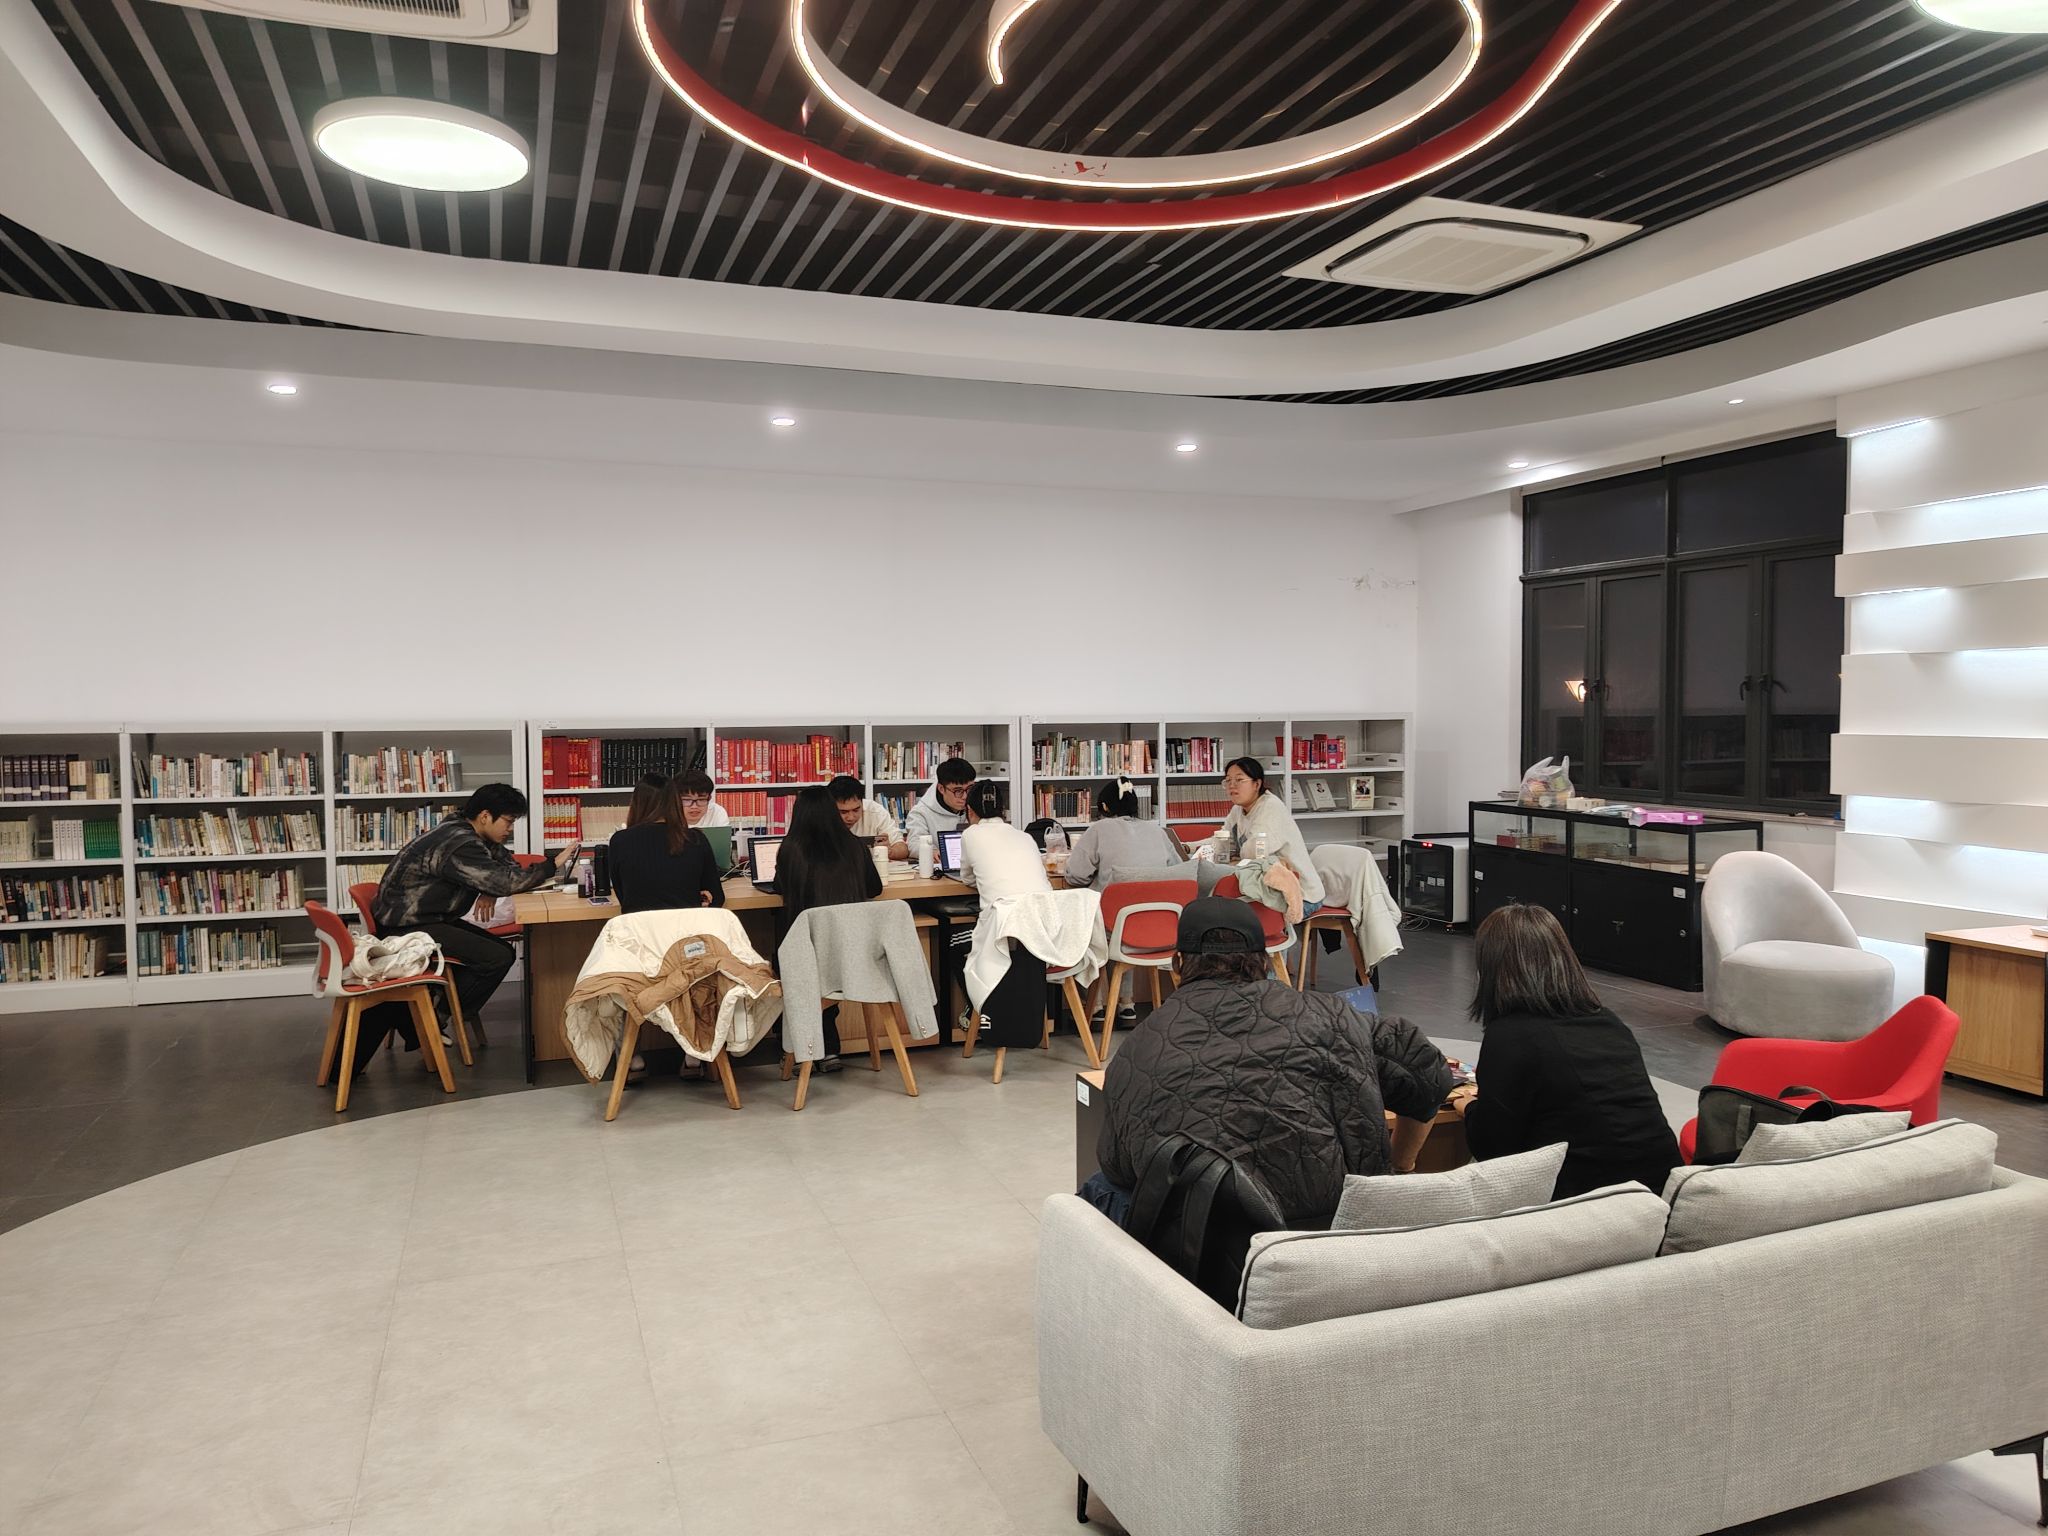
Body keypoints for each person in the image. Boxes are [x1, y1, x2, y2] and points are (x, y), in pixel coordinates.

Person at [1093, 898, 1454, 1228]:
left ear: (1177, 965)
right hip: (1331, 1235)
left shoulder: (1137, 1048)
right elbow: (1431, 1075)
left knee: (1103, 1188)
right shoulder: (1333, 1015)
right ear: (1264, 962)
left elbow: (1118, 1166)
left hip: (1203, 1249)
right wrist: (1400, 1168)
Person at [1453, 903, 1681, 1201]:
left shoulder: (1511, 1036)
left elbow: (1493, 1149)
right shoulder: (1608, 1022)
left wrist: (1469, 1108)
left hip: (1588, 1201)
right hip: (1660, 1191)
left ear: (1491, 968)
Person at [356, 784, 574, 1070]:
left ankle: (426, 1017)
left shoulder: (466, 831)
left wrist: (489, 888)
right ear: (485, 816)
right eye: (508, 821)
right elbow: (505, 881)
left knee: (499, 951)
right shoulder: (459, 842)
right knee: (497, 956)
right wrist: (552, 865)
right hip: (407, 926)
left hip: (426, 919)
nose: (510, 829)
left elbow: (504, 870)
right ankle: (430, 1020)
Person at [773, 784, 883, 1071]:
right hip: (852, 953)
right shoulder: (856, 846)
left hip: (805, 955)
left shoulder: (791, 849)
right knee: (826, 967)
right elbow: (875, 888)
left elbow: (779, 887)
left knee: (789, 948)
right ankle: (830, 1048)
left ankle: (802, 1051)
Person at [1210, 756, 1326, 918]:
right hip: (1271, 891)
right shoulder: (1238, 809)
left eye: (1239, 780)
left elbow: (1255, 853)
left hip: (1300, 896)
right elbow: (1222, 841)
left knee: (1226, 916)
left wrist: (1236, 857)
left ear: (1257, 784)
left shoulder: (1270, 807)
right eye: (1228, 780)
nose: (1232, 785)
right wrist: (1188, 847)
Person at [607, 774, 726, 915]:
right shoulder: (695, 839)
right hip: (686, 927)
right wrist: (696, 898)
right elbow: (716, 898)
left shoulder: (619, 841)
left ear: (636, 803)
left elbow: (624, 896)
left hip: (639, 927)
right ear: (675, 802)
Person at [1061, 777, 1181, 891]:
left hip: (1113, 903)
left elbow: (1076, 876)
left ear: (1105, 807)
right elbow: (1178, 870)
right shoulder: (1158, 831)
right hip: (1158, 902)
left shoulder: (1098, 829)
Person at [903, 756, 976, 857]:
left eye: (969, 789)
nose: (965, 796)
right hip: (939, 863)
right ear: (941, 788)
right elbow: (914, 845)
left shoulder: (977, 804)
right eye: (958, 791)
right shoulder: (921, 812)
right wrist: (932, 852)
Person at [828, 773, 908, 861]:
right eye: (843, 812)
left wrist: (890, 851)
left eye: (856, 810)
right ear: (830, 806)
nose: (851, 817)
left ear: (862, 802)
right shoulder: (821, 815)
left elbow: (903, 849)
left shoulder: (875, 811)